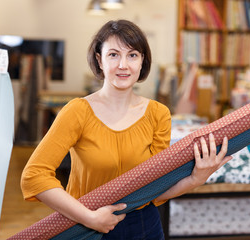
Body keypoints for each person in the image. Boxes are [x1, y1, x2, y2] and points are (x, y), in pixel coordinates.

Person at [21, 19, 232, 240]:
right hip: (85, 225)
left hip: (143, 226)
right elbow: (34, 176)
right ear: (99, 60)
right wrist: (89, 218)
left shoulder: (158, 114)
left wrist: (195, 179)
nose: (123, 65)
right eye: (113, 54)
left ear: (142, 62)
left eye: (132, 55)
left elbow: (155, 188)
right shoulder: (77, 111)